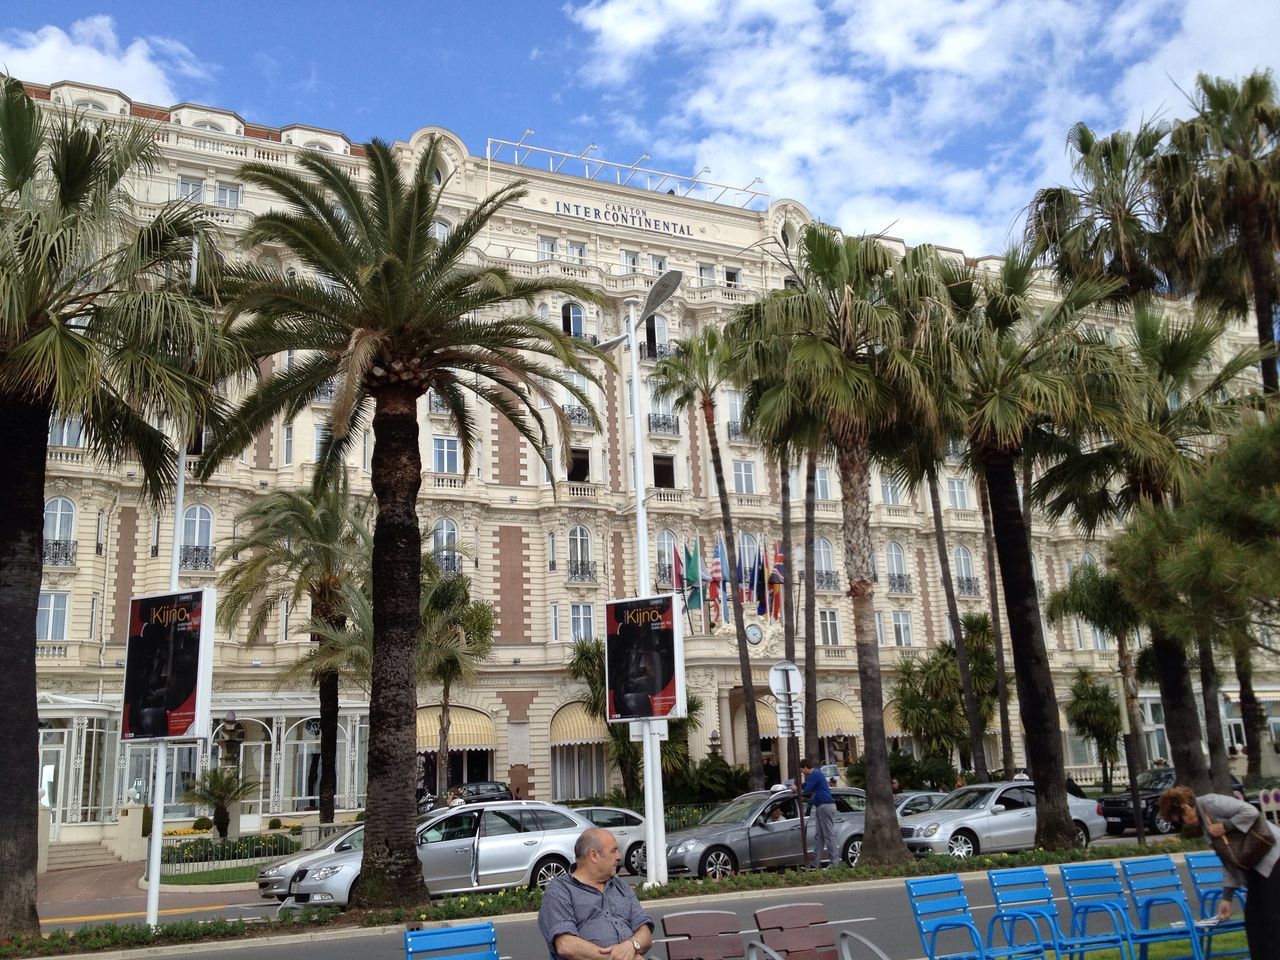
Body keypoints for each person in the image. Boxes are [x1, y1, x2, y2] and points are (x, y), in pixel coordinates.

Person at [1159, 785, 1280, 958]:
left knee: (1269, 917)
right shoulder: (1204, 823)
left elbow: (1250, 811)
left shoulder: (1210, 802)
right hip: (1254, 865)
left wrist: (1225, 826)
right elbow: (1229, 860)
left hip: (1272, 857)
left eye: (1179, 819)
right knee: (1254, 919)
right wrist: (1227, 897)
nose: (1182, 824)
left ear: (1185, 808)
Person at [538, 827, 655, 960]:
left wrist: (631, 945)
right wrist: (621, 958)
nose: (619, 857)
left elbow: (644, 931)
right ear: (594, 855)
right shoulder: (560, 890)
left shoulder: (620, 886)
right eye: (613, 850)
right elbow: (565, 945)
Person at [795, 758, 837, 869]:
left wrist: (797, 789)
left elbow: (807, 790)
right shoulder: (814, 775)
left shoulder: (815, 774)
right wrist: (797, 786)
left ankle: (834, 863)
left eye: (801, 770)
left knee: (829, 835)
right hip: (820, 806)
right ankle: (814, 864)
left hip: (825, 805)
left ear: (805, 767)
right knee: (819, 836)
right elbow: (806, 785)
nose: (802, 773)